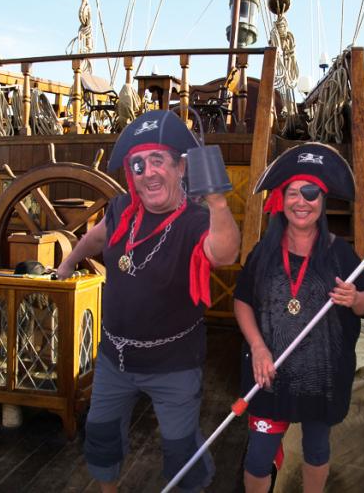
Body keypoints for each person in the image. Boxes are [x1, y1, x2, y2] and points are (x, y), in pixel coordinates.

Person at [56, 110, 240, 492]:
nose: (148, 172)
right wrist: (67, 263)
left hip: (173, 363)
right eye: (138, 164)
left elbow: (224, 254)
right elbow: (97, 238)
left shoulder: (195, 220)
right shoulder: (123, 209)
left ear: (180, 168)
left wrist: (219, 203)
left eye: (158, 161)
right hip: (114, 359)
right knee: (101, 434)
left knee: (180, 449)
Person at [233, 143, 364, 493]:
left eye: (309, 193)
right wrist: (258, 347)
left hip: (321, 376)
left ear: (322, 200)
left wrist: (354, 298)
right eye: (292, 193)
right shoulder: (263, 252)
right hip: (269, 374)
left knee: (316, 449)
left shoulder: (340, 253)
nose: (301, 202)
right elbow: (242, 301)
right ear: (281, 200)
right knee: (257, 457)